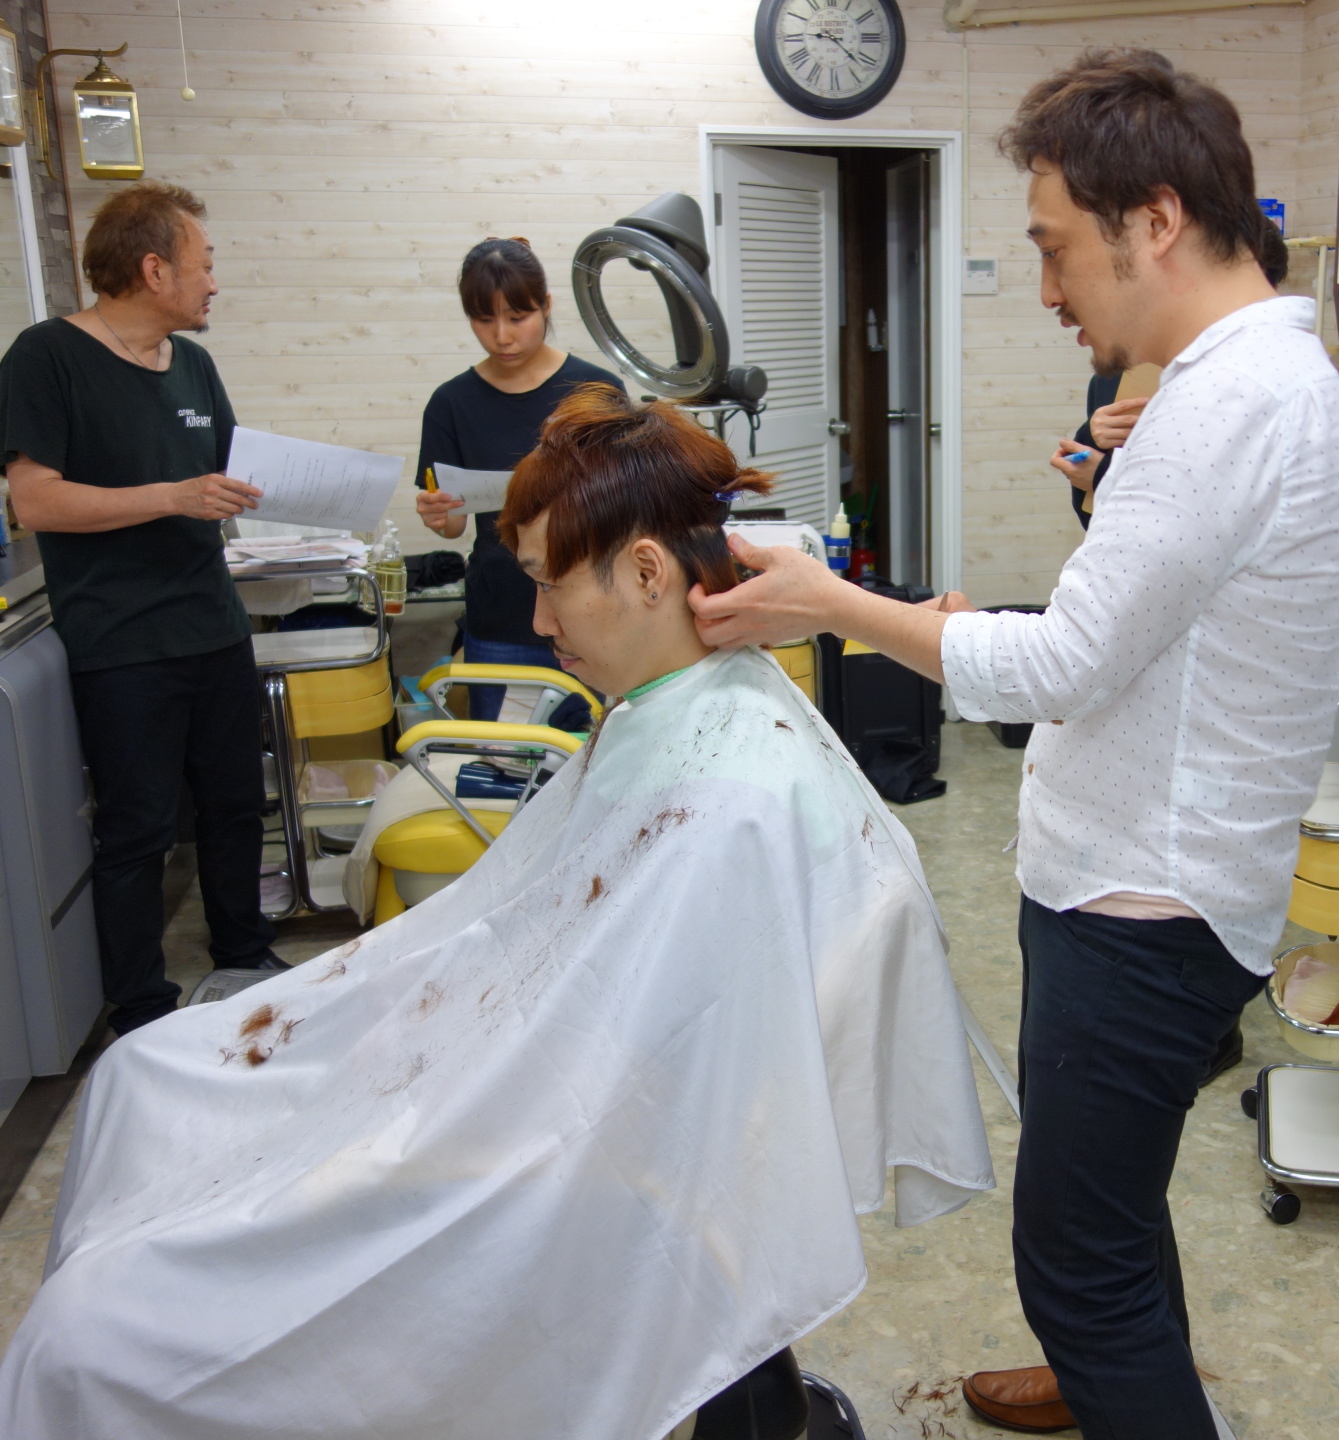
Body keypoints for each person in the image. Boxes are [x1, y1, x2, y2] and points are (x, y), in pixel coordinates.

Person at [0, 390, 993, 1440]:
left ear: (646, 572)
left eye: (549, 585)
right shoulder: (682, 711)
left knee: (86, 1330)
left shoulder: (727, 796)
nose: (540, 623)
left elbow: (623, 1073)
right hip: (523, 1067)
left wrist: (406, 1075)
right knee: (137, 1078)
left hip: (555, 1122)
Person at [689, 49, 1339, 1440]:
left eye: (1055, 248)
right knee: (1116, 1212)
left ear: (1155, 221)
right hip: (1157, 872)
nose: (1048, 288)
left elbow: (1058, 665)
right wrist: (974, 612)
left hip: (1146, 903)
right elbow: (1136, 626)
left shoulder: (1225, 404)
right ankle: (1102, 1370)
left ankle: (1114, 1371)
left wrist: (834, 605)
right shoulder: (1248, 380)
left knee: (1079, 1266)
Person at [0, 181, 282, 1036]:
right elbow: (35, 502)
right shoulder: (45, 357)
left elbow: (222, 477)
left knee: (237, 806)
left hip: (213, 626)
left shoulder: (193, 365)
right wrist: (171, 495)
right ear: (154, 270)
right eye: (204, 265)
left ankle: (244, 957)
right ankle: (142, 1006)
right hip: (122, 643)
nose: (214, 283)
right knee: (138, 830)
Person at [415, 237, 624, 720]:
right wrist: (438, 515)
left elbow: (625, 502)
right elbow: (453, 525)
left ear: (545, 306)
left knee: (596, 748)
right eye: (484, 320)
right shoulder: (451, 403)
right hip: (501, 615)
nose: (502, 336)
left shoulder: (595, 390)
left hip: (589, 609)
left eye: (517, 317)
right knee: (508, 755)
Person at [1052, 220, 1291, 531]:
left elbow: (1232, 510)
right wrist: (1090, 438)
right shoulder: (1121, 374)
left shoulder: (1263, 383)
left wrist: (1104, 475)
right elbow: (1093, 512)